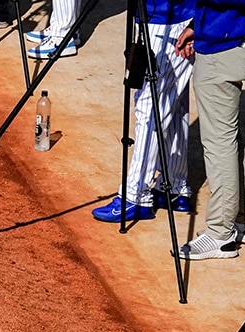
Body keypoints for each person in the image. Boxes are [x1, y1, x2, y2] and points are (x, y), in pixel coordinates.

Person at [175, 0, 245, 259]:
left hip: (226, 48)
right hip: (224, 39)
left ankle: (221, 233)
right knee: (226, 138)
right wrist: (200, 26)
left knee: (219, 144)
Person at [93, 0, 196, 223]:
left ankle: (136, 195)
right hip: (169, 18)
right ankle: (175, 185)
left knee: (150, 105)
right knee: (173, 103)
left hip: (170, 22)